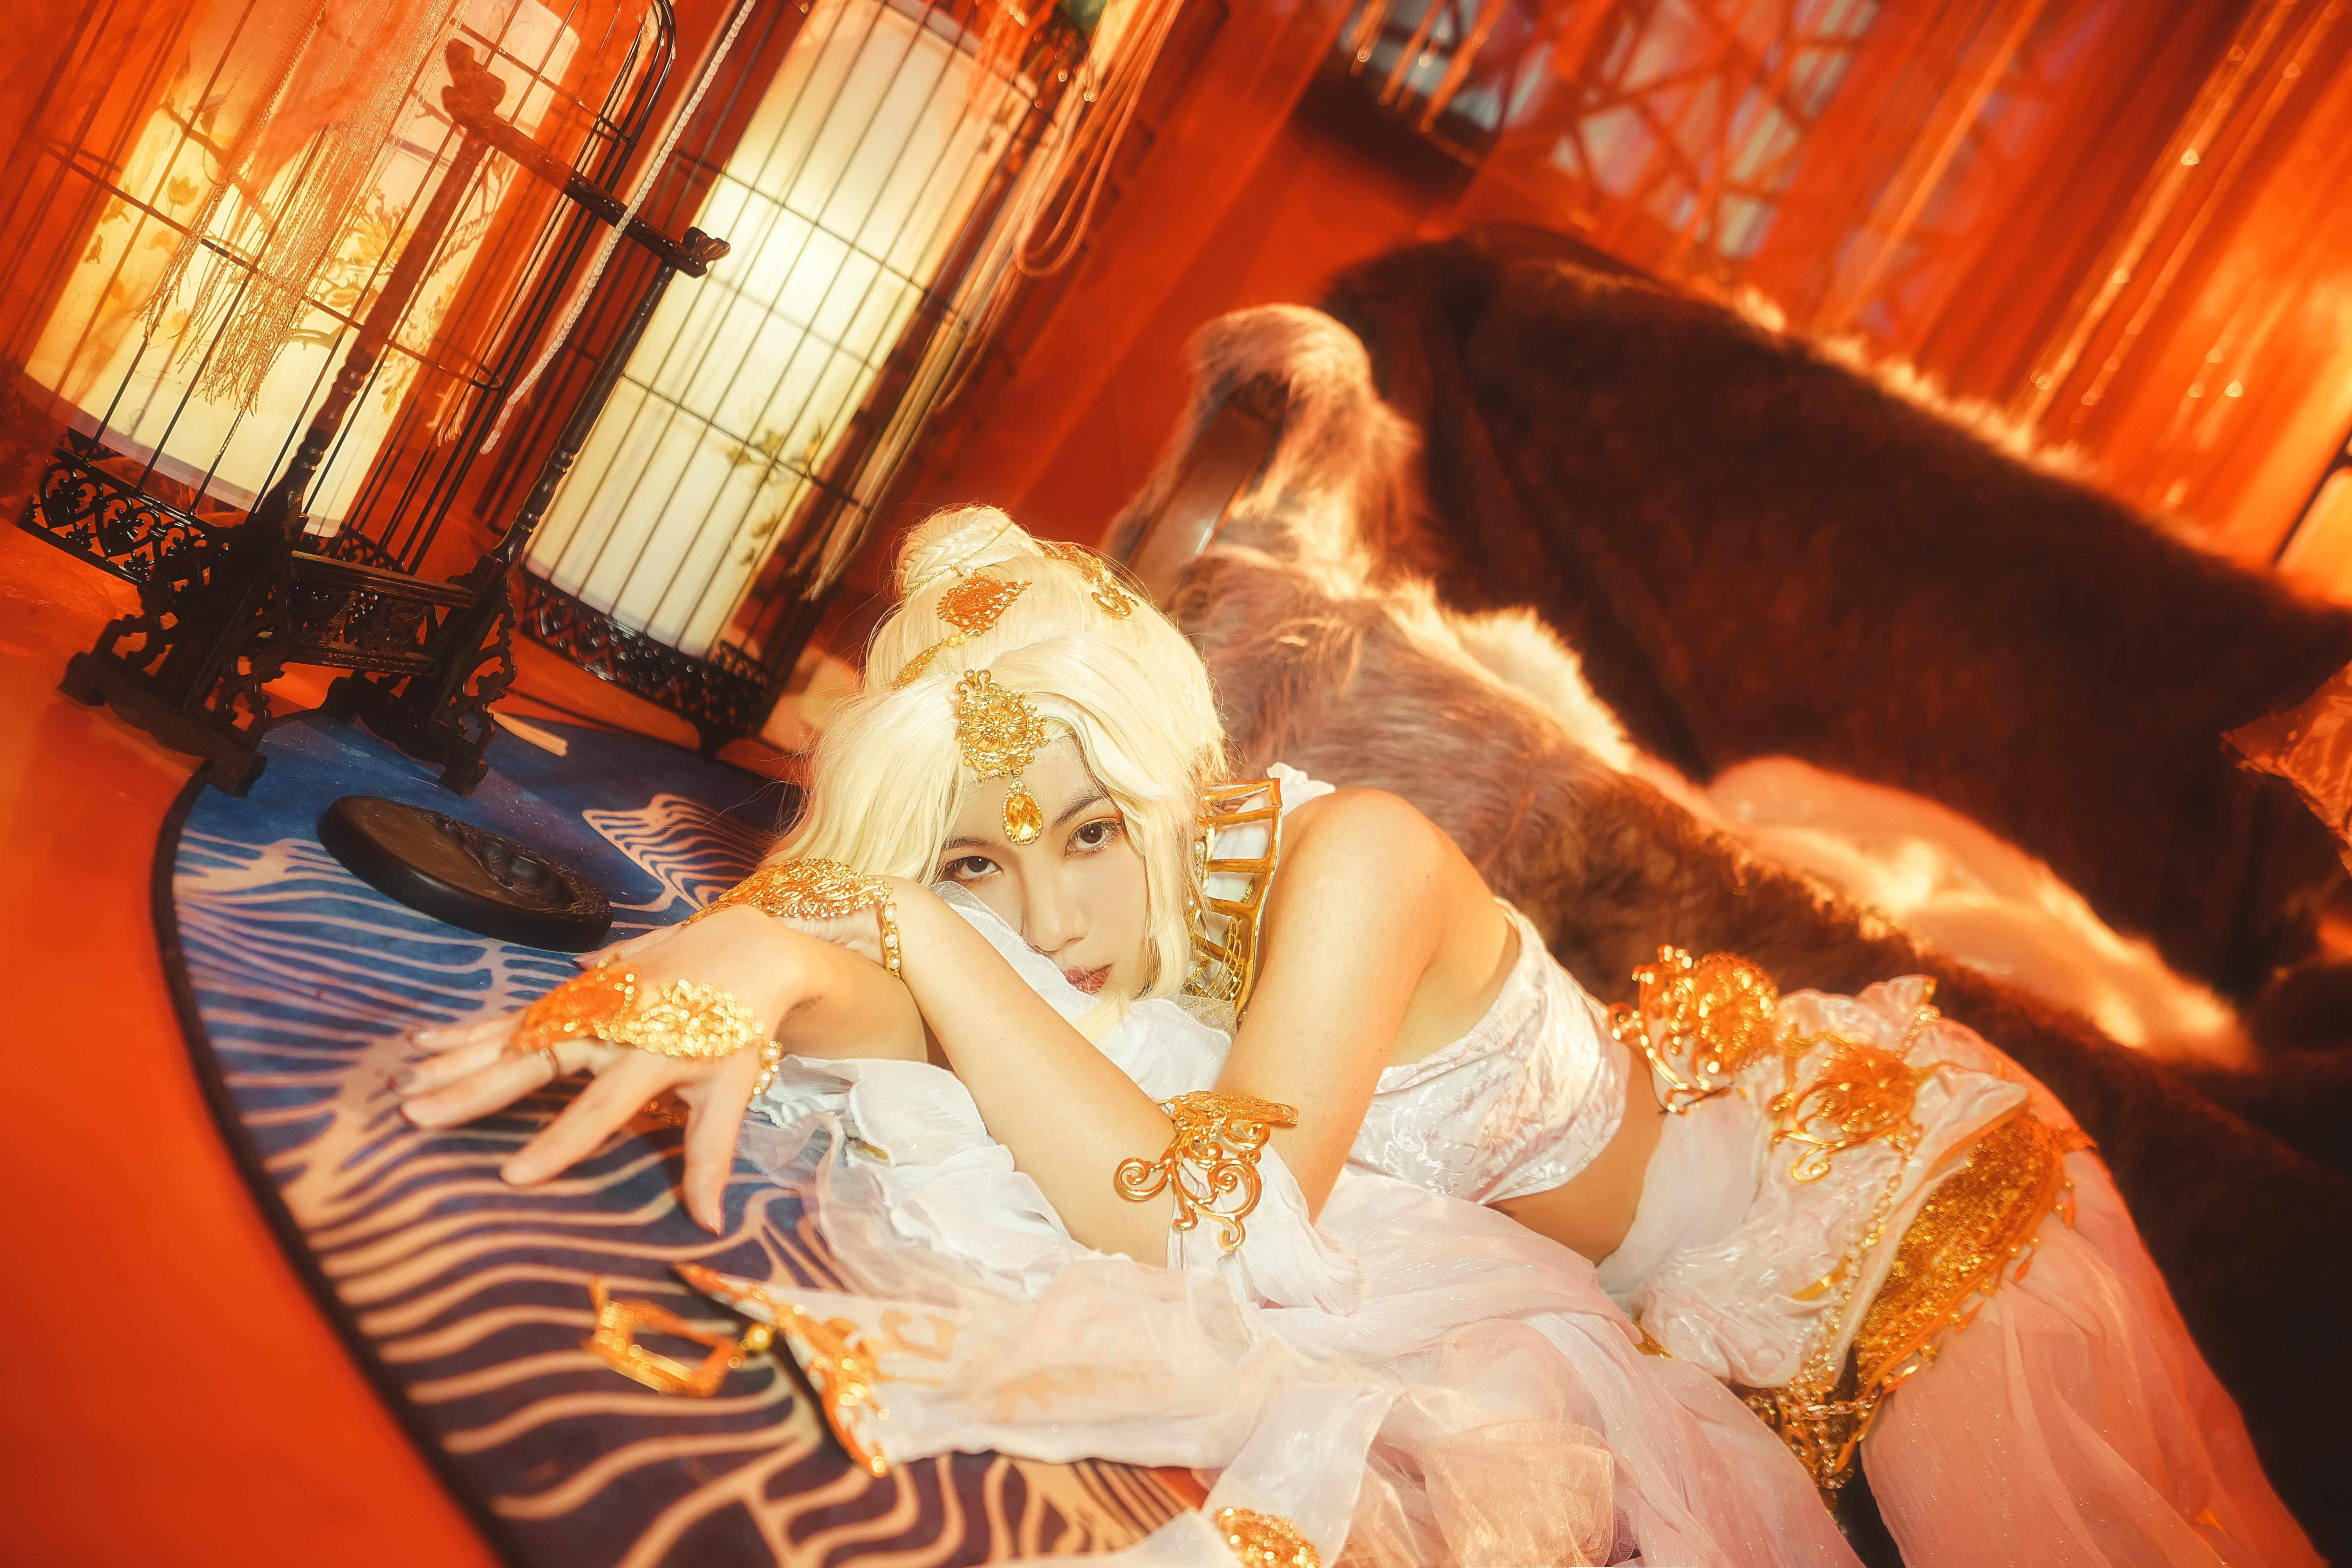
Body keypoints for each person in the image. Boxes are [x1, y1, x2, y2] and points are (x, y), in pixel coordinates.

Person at [396, 508, 2315, 1568]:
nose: (1053, 918)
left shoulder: (1357, 859)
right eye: (978, 860)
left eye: (1092, 832)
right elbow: (979, 1018)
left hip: (1874, 1222)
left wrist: (899, 921)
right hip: (1657, 1246)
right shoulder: (1111, 903)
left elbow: (1208, 1218)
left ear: (1172, 785)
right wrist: (761, 944)